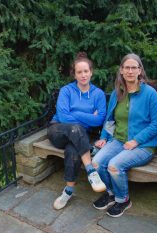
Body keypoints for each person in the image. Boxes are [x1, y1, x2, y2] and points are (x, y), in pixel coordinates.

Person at [92, 53, 157, 217]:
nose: (130, 71)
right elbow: (110, 120)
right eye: (127, 68)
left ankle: (123, 200)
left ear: (140, 71)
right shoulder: (118, 93)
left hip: (144, 146)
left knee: (114, 165)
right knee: (96, 162)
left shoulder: (150, 94)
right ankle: (110, 194)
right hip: (118, 141)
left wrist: (136, 140)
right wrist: (103, 137)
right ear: (121, 71)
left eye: (134, 67)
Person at [48, 52, 107, 210]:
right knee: (75, 128)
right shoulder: (66, 91)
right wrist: (88, 116)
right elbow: (63, 117)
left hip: (79, 136)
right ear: (74, 74)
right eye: (79, 72)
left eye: (86, 71)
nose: (83, 75)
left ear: (91, 72)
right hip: (58, 130)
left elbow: (100, 119)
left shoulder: (98, 94)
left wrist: (75, 114)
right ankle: (91, 171)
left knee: (73, 151)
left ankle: (68, 191)